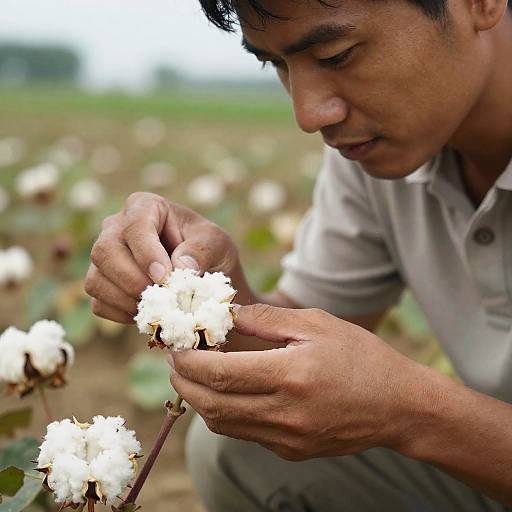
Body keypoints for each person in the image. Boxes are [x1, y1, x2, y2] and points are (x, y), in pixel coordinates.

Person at [85, 0, 512, 509]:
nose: (309, 114)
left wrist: (413, 412)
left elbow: (412, 414)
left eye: (336, 55)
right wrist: (211, 295)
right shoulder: (379, 154)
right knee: (242, 446)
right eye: (278, 65)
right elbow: (284, 365)